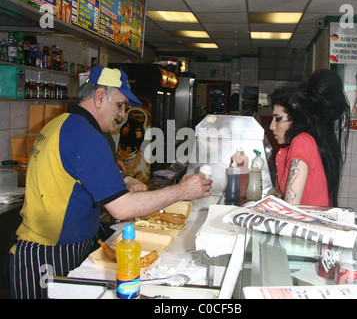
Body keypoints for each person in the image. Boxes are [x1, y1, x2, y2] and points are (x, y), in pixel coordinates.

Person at [9, 66, 212, 299]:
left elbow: (76, 175)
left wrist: (123, 179)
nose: (123, 114)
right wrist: (182, 190)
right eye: (120, 105)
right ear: (99, 97)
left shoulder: (65, 124)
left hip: (63, 245)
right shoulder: (84, 135)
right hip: (49, 254)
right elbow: (121, 209)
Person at [267, 69, 350, 207]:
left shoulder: (302, 142)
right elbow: (284, 191)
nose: (271, 126)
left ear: (296, 118)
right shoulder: (306, 142)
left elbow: (290, 208)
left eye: (278, 119)